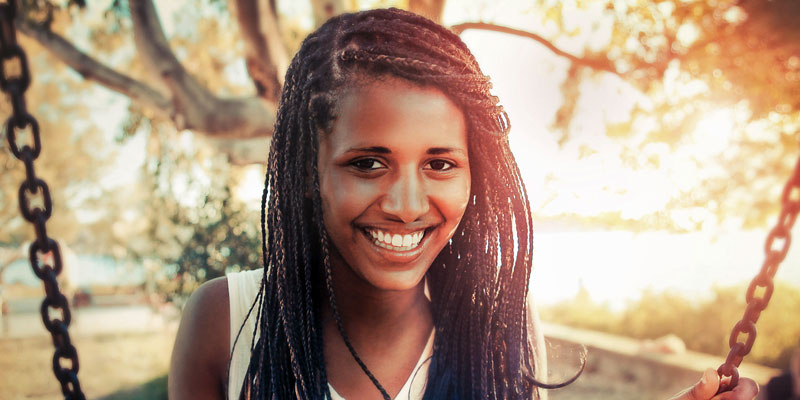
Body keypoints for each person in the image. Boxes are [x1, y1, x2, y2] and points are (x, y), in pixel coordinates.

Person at [168, 8, 759, 400]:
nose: (405, 204)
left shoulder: (500, 326)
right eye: (367, 163)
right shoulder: (228, 321)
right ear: (306, 173)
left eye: (440, 163)